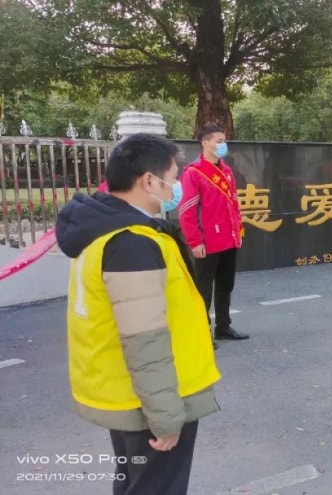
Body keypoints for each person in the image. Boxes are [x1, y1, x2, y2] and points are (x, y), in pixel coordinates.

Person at [55, 134, 221, 494]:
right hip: (152, 402)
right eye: (173, 178)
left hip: (130, 393)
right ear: (149, 181)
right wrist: (165, 416)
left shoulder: (104, 231)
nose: (176, 187)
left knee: (134, 483)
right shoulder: (132, 244)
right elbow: (145, 340)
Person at [179, 125, 249, 346]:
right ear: (205, 143)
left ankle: (223, 327)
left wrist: (237, 229)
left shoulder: (226, 170)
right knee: (203, 290)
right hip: (207, 241)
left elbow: (233, 203)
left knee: (225, 286)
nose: (222, 144)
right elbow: (187, 210)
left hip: (229, 237)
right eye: (218, 141)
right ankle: (201, 334)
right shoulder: (194, 172)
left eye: (223, 140)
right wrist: (194, 241)